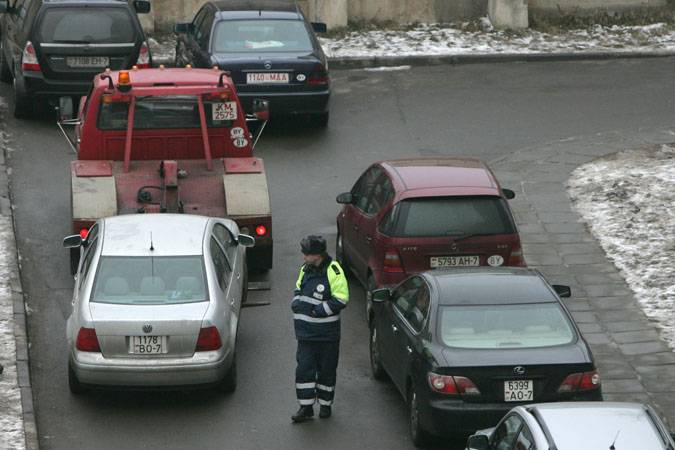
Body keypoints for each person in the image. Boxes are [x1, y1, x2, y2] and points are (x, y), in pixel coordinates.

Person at [291, 235, 349, 423]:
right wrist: (296, 301)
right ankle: (306, 407)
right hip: (306, 334)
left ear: (316, 255)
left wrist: (318, 311)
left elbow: (341, 298)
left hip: (327, 335)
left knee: (327, 369)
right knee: (304, 371)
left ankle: (325, 405)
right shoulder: (305, 269)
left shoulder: (334, 270)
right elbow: (298, 289)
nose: (303, 257)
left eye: (306, 254)